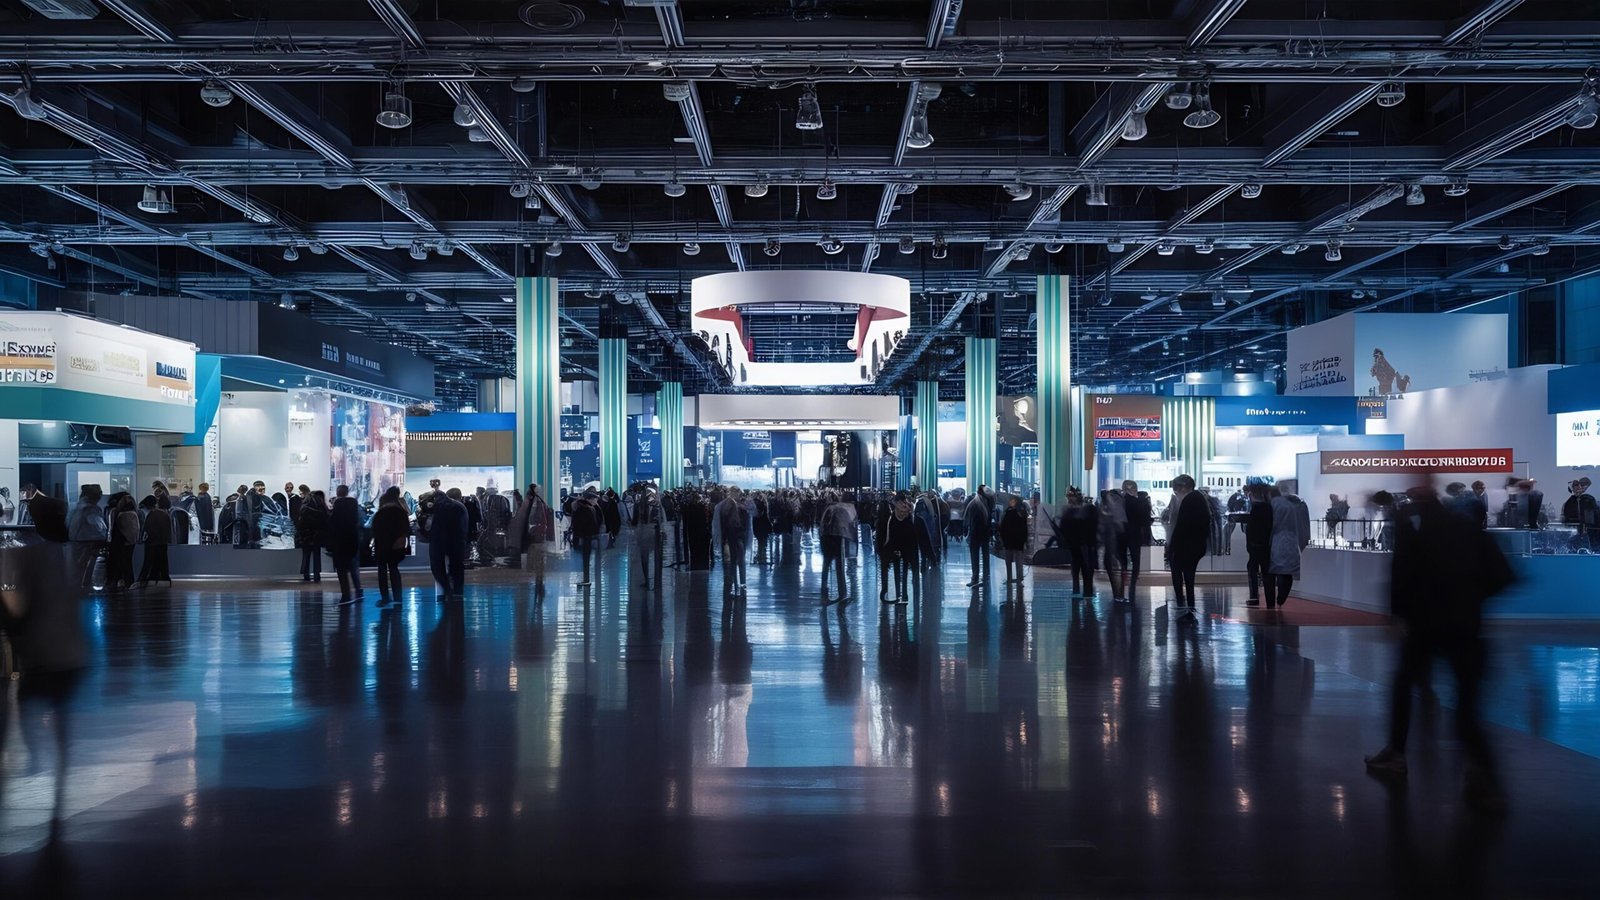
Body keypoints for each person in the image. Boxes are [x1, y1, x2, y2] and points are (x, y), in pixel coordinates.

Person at [1364, 483, 1513, 815]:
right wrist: (1472, 599)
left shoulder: (1413, 530)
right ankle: (1483, 776)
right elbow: (1504, 575)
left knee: (1404, 686)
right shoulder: (1469, 531)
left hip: (1425, 627)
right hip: (1464, 628)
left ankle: (1397, 753)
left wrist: (1398, 615)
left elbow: (1400, 575)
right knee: (1465, 709)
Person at [1164, 474, 1211, 617]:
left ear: (1182, 487)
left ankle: (1183, 605)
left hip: (1184, 546)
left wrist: (1171, 546)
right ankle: (1189, 606)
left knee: (1179, 575)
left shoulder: (1188, 501)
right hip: (1195, 546)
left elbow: (1181, 526)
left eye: (1176, 489)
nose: (1175, 492)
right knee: (1189, 576)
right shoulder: (1199, 499)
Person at [1267, 484, 1311, 609]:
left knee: (1276, 570)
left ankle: (1276, 598)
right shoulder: (1292, 505)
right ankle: (1282, 597)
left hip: (1277, 540)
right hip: (1291, 541)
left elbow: (1272, 524)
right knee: (1287, 573)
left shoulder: (1273, 505)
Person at [370, 486, 411, 607]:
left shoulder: (381, 512)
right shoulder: (400, 509)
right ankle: (398, 597)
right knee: (394, 568)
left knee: (382, 570)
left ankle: (385, 597)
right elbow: (406, 526)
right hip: (396, 543)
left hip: (382, 543)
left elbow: (375, 528)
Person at [429, 488, 470, 599]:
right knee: (457, 566)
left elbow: (429, 526)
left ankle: (446, 589)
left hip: (439, 541)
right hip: (457, 541)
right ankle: (457, 591)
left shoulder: (436, 507)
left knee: (438, 566)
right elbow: (465, 526)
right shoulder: (460, 507)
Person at [327, 484, 364, 605]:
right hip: (352, 538)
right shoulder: (354, 504)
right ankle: (358, 590)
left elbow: (333, 522)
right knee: (353, 566)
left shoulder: (338, 505)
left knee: (341, 569)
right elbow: (359, 521)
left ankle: (346, 594)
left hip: (340, 540)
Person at [67, 485, 108, 589]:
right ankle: (84, 587)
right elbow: (98, 525)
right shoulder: (91, 509)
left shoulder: (75, 508)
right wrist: (104, 534)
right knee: (87, 567)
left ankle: (77, 588)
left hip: (75, 541)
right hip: (90, 542)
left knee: (77, 567)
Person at [1118, 480, 1153, 598]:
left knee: (1123, 561)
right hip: (1135, 535)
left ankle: (1122, 585)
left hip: (1122, 534)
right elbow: (1145, 519)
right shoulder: (1140, 502)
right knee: (1135, 561)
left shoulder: (1120, 501)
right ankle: (1132, 586)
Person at [518, 484, 554, 594]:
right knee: (539, 561)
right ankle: (539, 582)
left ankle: (539, 583)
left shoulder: (534, 502)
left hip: (535, 537)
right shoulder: (538, 501)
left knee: (538, 561)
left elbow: (536, 519)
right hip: (537, 537)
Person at [820, 491, 856, 602]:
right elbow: (852, 525)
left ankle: (824, 591)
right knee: (840, 565)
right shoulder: (849, 508)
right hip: (839, 537)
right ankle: (842, 593)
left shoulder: (829, 508)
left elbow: (821, 523)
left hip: (826, 537)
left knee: (826, 564)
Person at [881, 498, 919, 604]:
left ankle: (901, 595)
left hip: (900, 549)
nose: (902, 513)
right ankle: (903, 595)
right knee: (902, 571)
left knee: (899, 571)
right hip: (905, 549)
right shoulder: (910, 519)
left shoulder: (891, 518)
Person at [1062, 489, 1099, 598]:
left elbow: (1063, 528)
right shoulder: (1087, 510)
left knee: (1081, 568)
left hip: (1082, 543)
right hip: (1082, 544)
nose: (1069, 499)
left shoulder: (1070, 512)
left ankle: (1081, 591)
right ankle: (1085, 591)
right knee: (1082, 568)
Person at [716, 487, 752, 595]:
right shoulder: (741, 506)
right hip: (739, 535)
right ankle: (741, 582)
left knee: (731, 561)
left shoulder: (723, 506)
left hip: (730, 536)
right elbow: (746, 522)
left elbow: (721, 522)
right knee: (740, 560)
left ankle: (733, 582)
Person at [1244, 483, 1274, 606]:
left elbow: (1252, 529)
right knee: (1267, 572)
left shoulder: (1256, 509)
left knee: (1253, 570)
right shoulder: (1269, 508)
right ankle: (1270, 600)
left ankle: (1254, 597)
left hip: (1256, 546)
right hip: (1266, 545)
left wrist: (1250, 544)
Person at [134, 496, 173, 588]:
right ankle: (163, 578)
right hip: (163, 542)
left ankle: (146, 579)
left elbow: (147, 531)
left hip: (152, 543)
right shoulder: (164, 514)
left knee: (148, 562)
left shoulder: (150, 516)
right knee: (162, 561)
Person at [568, 487, 604, 586]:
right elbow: (594, 522)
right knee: (585, 559)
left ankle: (585, 578)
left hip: (582, 537)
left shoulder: (582, 507)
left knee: (584, 559)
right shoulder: (587, 509)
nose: (596, 500)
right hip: (585, 537)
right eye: (595, 498)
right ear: (589, 499)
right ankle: (585, 579)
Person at [632, 484, 665, 589]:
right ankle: (656, 581)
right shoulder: (658, 503)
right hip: (655, 529)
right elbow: (661, 518)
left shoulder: (641, 502)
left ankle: (648, 581)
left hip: (645, 529)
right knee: (656, 557)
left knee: (645, 556)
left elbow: (636, 518)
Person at [295, 491, 327, 582]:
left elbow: (300, 524)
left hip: (306, 536)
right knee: (317, 556)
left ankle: (306, 574)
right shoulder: (321, 508)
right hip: (316, 535)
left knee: (306, 555)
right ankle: (317, 575)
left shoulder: (304, 508)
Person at [110, 496, 140, 592]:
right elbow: (134, 530)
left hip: (122, 542)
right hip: (129, 542)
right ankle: (129, 582)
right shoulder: (133, 514)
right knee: (127, 563)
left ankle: (122, 581)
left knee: (122, 563)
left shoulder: (119, 514)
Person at [964, 486, 992, 588]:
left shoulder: (973, 503)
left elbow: (966, 517)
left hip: (975, 533)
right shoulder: (989, 503)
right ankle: (985, 578)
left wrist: (965, 531)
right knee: (985, 557)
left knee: (975, 557)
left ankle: (975, 578)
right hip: (984, 533)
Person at [998, 495, 1029, 585]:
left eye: (1012, 501)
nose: (1010, 502)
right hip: (1017, 541)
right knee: (1018, 561)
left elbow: (1002, 526)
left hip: (1010, 540)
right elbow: (1024, 527)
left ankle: (1011, 578)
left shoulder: (1008, 512)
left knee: (1009, 561)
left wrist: (1002, 538)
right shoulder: (1021, 512)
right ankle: (1018, 579)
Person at [1563, 477, 1599, 552]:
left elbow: (1592, 517)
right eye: (1576, 486)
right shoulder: (1573, 501)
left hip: (1590, 533)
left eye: (1581, 485)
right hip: (1584, 533)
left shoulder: (1587, 499)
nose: (1579, 488)